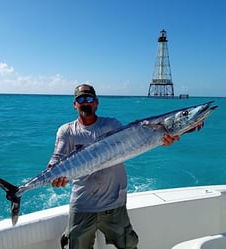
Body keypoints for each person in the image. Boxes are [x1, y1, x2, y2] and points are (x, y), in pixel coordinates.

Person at [48, 84, 181, 249]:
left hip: (114, 204)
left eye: (89, 99)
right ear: (75, 104)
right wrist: (52, 170)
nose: (85, 102)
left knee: (129, 246)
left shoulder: (111, 125)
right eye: (80, 99)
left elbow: (136, 142)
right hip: (82, 205)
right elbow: (57, 158)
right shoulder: (66, 131)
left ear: (96, 102)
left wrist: (163, 140)